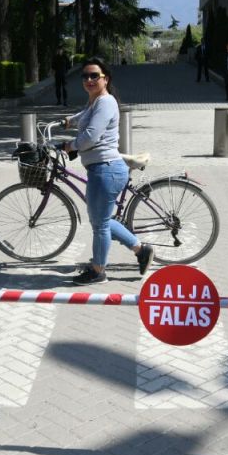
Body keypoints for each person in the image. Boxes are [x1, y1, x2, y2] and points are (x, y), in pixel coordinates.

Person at [62, 57, 154, 285]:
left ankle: (98, 271)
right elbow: (84, 117)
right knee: (100, 221)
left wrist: (70, 145)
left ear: (106, 79)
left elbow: (91, 135)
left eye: (95, 76)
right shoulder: (94, 101)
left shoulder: (106, 102)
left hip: (106, 170)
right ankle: (141, 250)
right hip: (101, 170)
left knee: (100, 224)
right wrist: (67, 122)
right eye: (85, 76)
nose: (89, 80)